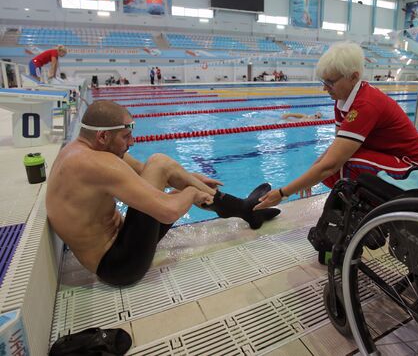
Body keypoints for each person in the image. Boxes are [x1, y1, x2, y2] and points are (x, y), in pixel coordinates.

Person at [46, 100, 280, 287]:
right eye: (126, 137)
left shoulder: (85, 150)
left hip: (123, 243)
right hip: (119, 266)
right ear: (103, 137)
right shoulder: (95, 163)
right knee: (166, 173)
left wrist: (192, 178)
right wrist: (190, 191)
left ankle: (244, 210)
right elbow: (168, 213)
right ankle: (244, 210)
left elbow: (146, 172)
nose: (132, 142)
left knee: (162, 167)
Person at [254, 41, 418, 209]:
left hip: (416, 167)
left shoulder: (366, 104)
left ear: (353, 77)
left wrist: (283, 193)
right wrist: (311, 172)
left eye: (330, 82)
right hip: (390, 159)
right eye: (324, 82)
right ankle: (362, 203)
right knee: (325, 169)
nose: (325, 88)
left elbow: (332, 164)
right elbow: (335, 148)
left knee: (342, 164)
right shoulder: (342, 99)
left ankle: (364, 207)